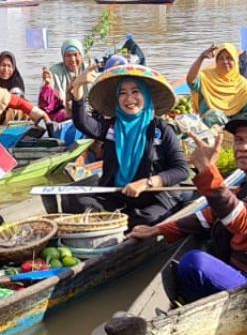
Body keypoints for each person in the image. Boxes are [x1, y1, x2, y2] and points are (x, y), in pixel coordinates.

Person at [132, 108, 247, 302]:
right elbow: (209, 217)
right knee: (209, 239)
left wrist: (207, 170)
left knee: (194, 263)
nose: (244, 147)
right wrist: (158, 230)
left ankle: (196, 306)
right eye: (239, 140)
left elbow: (241, 221)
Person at [66, 65, 190, 228]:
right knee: (80, 203)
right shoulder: (111, 127)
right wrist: (78, 86)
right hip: (117, 195)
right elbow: (82, 122)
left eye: (135, 92)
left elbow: (181, 170)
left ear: (146, 96)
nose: (129, 98)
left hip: (154, 197)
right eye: (122, 93)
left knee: (145, 220)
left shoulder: (162, 130)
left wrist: (148, 183)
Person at [185, 42, 247, 122]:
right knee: (214, 115)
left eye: (229, 58)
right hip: (209, 125)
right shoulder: (206, 76)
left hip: (233, 126)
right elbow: (191, 81)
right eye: (221, 58)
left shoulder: (242, 83)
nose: (225, 61)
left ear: (235, 61)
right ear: (216, 61)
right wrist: (201, 58)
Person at [37, 38, 84, 122]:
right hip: (63, 115)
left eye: (75, 55)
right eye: (68, 55)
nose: (72, 59)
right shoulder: (54, 72)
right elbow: (45, 105)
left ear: (81, 56)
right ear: (63, 57)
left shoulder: (88, 70)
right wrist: (48, 85)